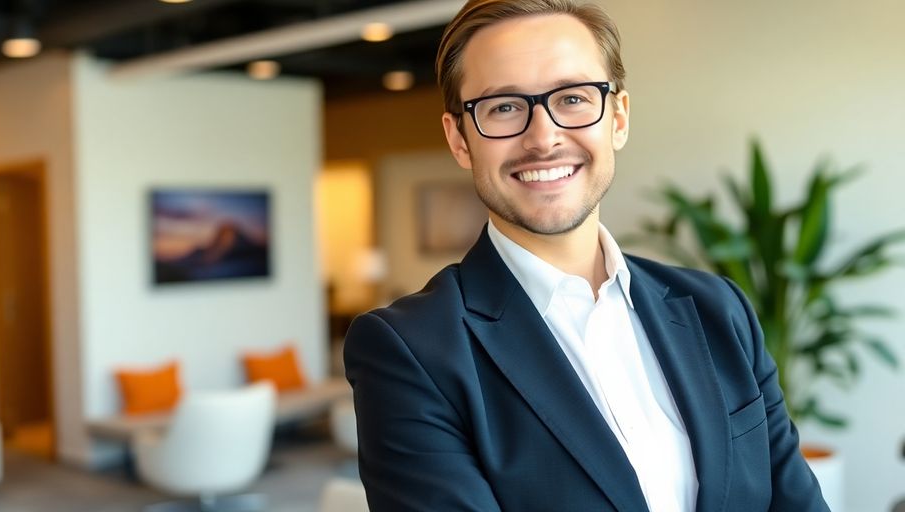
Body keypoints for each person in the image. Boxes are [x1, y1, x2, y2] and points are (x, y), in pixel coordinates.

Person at [342, 1, 830, 511]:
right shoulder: (409, 351)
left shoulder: (718, 308)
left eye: (573, 97)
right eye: (504, 107)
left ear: (617, 118)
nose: (544, 137)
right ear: (460, 139)